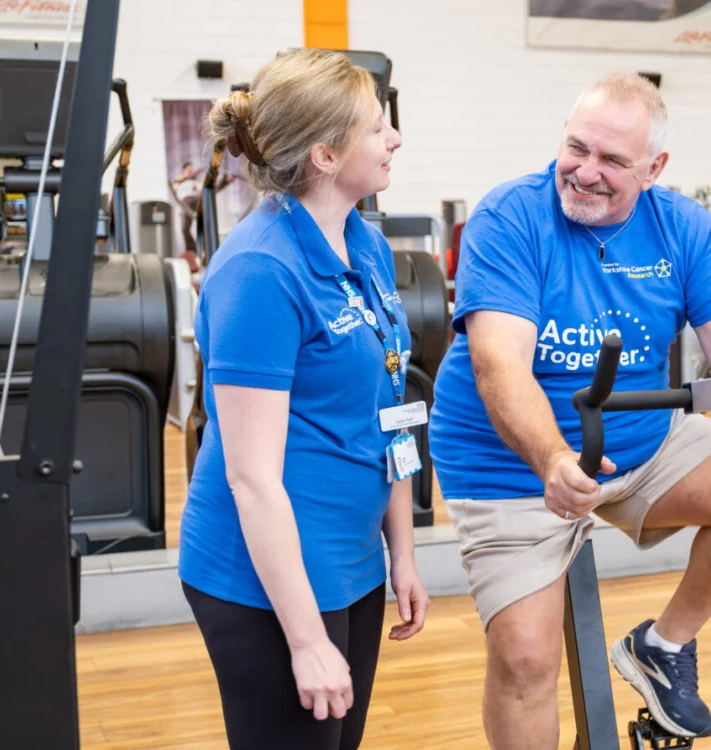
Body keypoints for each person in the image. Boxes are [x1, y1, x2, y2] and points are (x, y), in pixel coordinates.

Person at [429, 71, 711, 747]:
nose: (584, 172)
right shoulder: (510, 217)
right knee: (525, 659)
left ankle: (661, 648)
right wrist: (551, 458)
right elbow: (499, 366)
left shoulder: (683, 227)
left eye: (612, 161)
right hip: (512, 463)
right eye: (576, 149)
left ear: (655, 167)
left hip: (641, 441)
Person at [178, 49, 430, 750]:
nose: (395, 139)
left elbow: (390, 405)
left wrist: (401, 552)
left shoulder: (367, 246)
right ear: (324, 154)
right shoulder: (260, 270)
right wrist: (305, 639)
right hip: (264, 585)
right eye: (378, 128)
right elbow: (251, 480)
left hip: (352, 566)